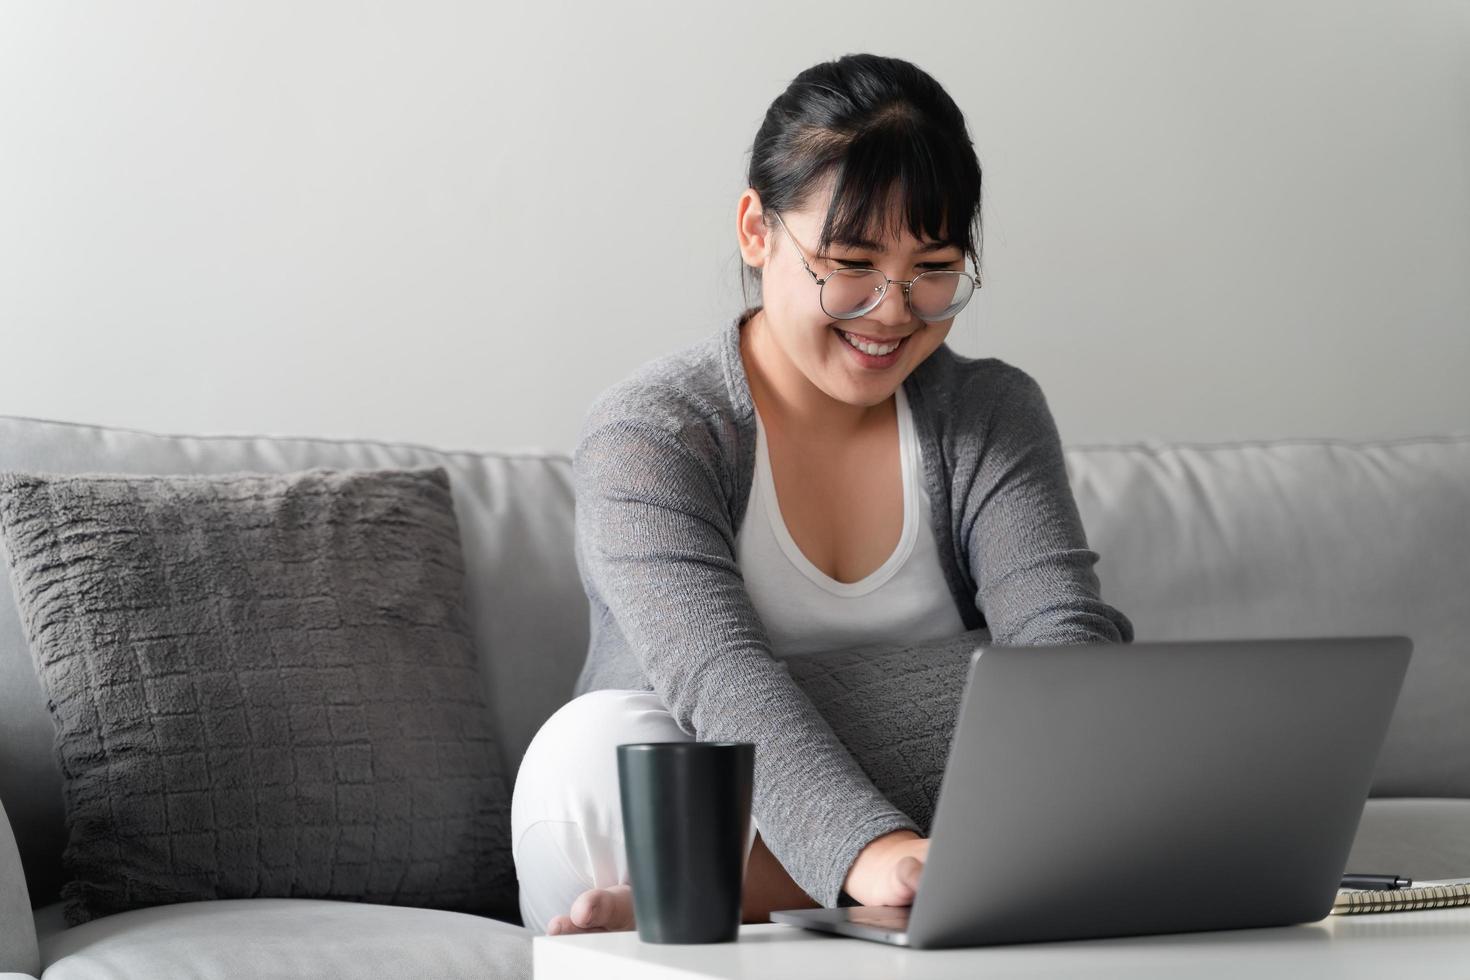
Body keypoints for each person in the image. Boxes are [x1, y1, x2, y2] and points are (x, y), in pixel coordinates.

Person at [510, 52, 1134, 936]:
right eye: (851, 263)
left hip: (924, 843)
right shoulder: (649, 433)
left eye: (934, 269)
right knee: (601, 760)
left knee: (1103, 716)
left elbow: (1068, 660)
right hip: (792, 816)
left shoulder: (992, 412)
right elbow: (719, 680)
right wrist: (873, 851)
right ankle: (827, 885)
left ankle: (730, 896)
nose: (893, 311)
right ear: (757, 232)